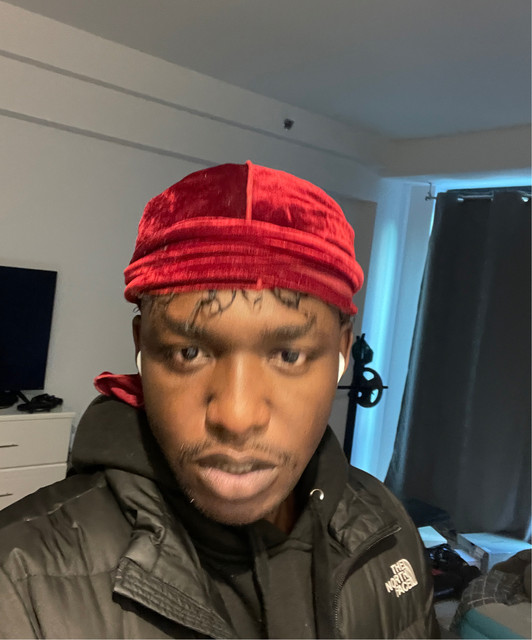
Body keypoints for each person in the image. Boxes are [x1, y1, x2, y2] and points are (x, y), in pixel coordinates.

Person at [0, 161, 439, 638]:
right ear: (142, 348)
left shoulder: (387, 526)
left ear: (341, 353)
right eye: (188, 353)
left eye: (289, 355)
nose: (237, 416)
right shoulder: (18, 585)